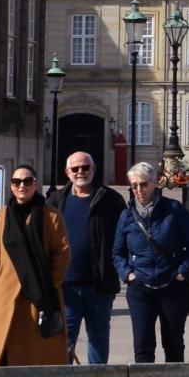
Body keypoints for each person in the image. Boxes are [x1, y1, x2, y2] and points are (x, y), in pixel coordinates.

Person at [0, 165, 71, 367]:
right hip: (7, 295)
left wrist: (48, 283)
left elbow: (62, 253)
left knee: (35, 354)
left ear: (36, 184)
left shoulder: (50, 216)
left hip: (37, 297)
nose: (22, 186)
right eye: (16, 182)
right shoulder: (3, 215)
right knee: (6, 351)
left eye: (27, 181)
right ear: (11, 187)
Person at [113, 164, 189, 360]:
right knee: (143, 346)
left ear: (155, 183)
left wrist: (182, 272)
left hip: (172, 286)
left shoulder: (173, 210)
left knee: (173, 343)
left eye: (143, 184)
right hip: (140, 288)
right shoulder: (127, 215)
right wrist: (127, 274)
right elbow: (117, 253)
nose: (138, 190)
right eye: (134, 185)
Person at [54, 148, 124, 365]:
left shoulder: (111, 199)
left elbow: (124, 238)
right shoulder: (56, 200)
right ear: (67, 172)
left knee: (98, 339)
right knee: (63, 341)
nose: (81, 172)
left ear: (93, 169)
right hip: (67, 285)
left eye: (85, 167)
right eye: (75, 168)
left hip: (99, 284)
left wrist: (123, 269)